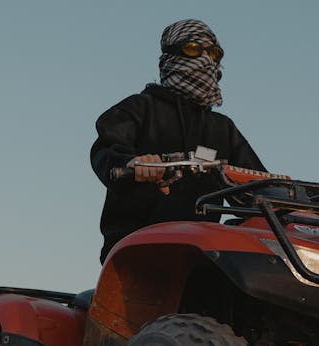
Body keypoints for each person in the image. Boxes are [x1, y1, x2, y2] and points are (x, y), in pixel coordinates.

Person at [90, 19, 267, 262]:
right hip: (137, 245)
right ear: (171, 56)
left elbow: (257, 182)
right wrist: (132, 164)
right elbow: (107, 150)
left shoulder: (222, 128)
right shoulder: (139, 109)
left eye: (213, 53)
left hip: (201, 251)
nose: (205, 59)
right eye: (194, 49)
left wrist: (297, 204)